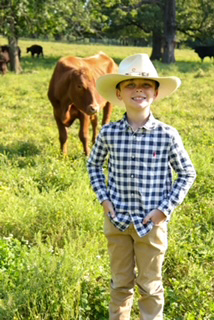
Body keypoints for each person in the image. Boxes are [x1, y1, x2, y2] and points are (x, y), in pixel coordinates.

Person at [87, 53, 196, 320]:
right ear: (119, 93)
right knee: (120, 283)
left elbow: (187, 173)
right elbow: (93, 165)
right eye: (130, 84)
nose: (139, 89)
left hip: (152, 223)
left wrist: (164, 210)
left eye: (146, 85)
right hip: (117, 221)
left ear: (156, 93)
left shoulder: (167, 134)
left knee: (150, 284)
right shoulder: (109, 133)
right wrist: (104, 199)